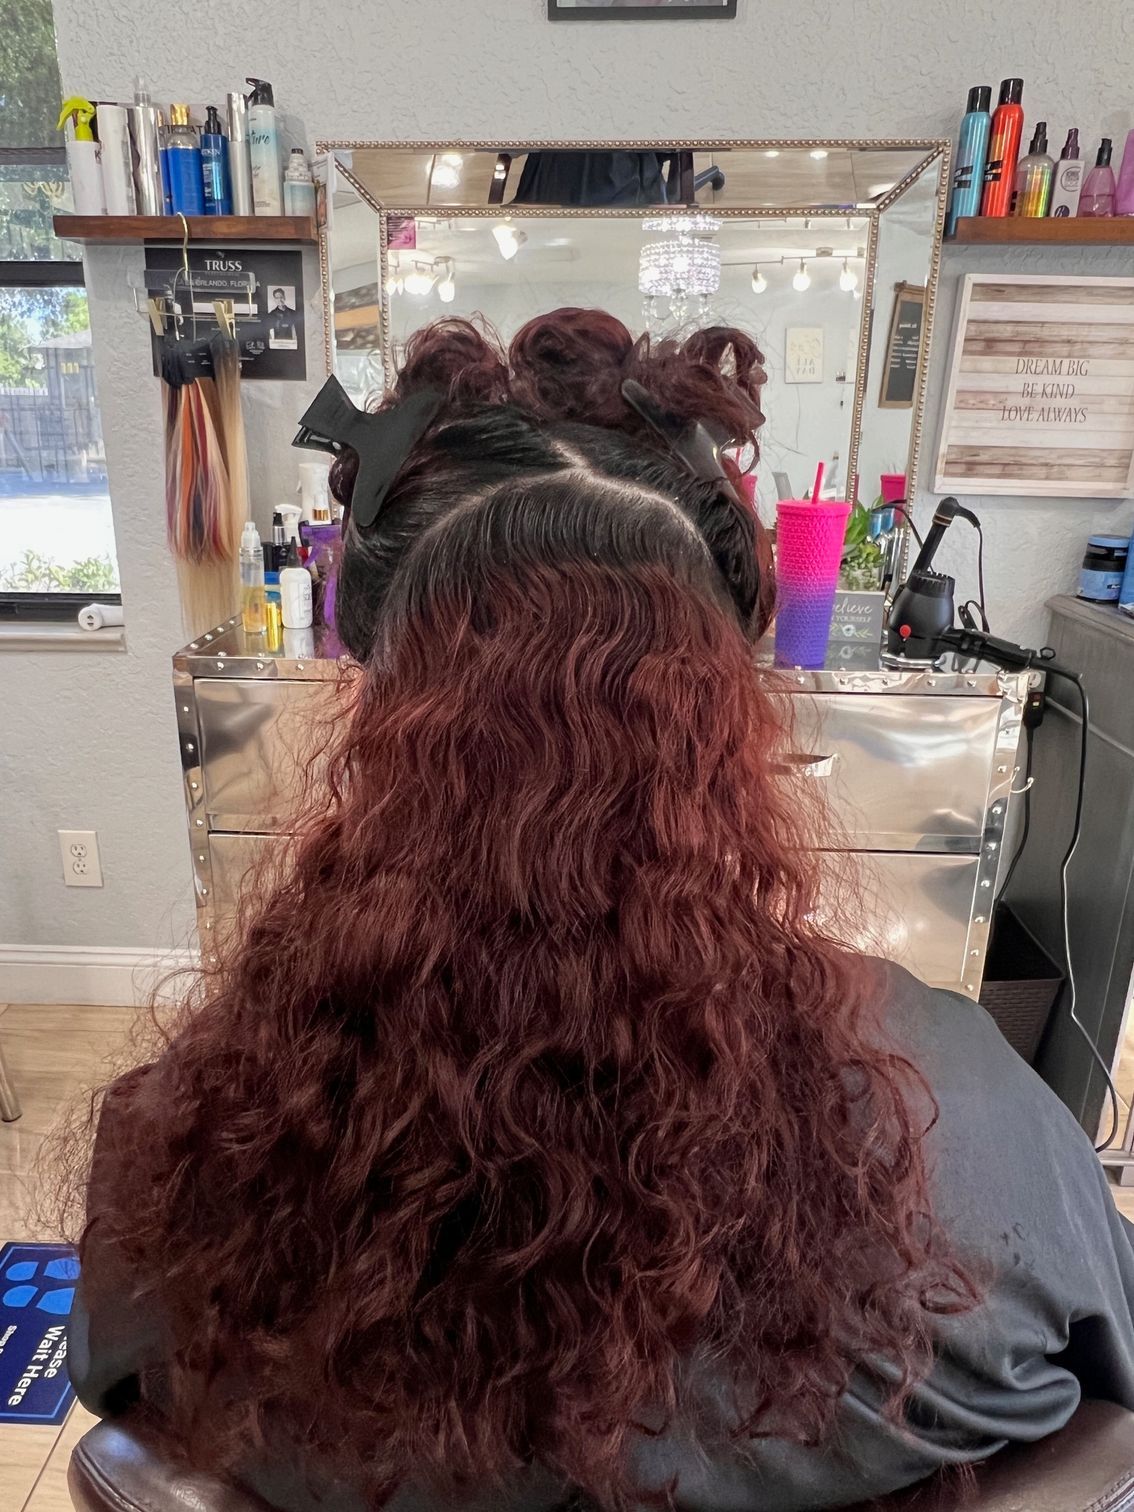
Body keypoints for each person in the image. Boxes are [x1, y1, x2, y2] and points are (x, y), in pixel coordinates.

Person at [69, 310, 1134, 1512]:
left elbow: (131, 1399)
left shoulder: (202, 1143)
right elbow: (1101, 1397)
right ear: (729, 707)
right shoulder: (967, 1117)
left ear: (378, 697)